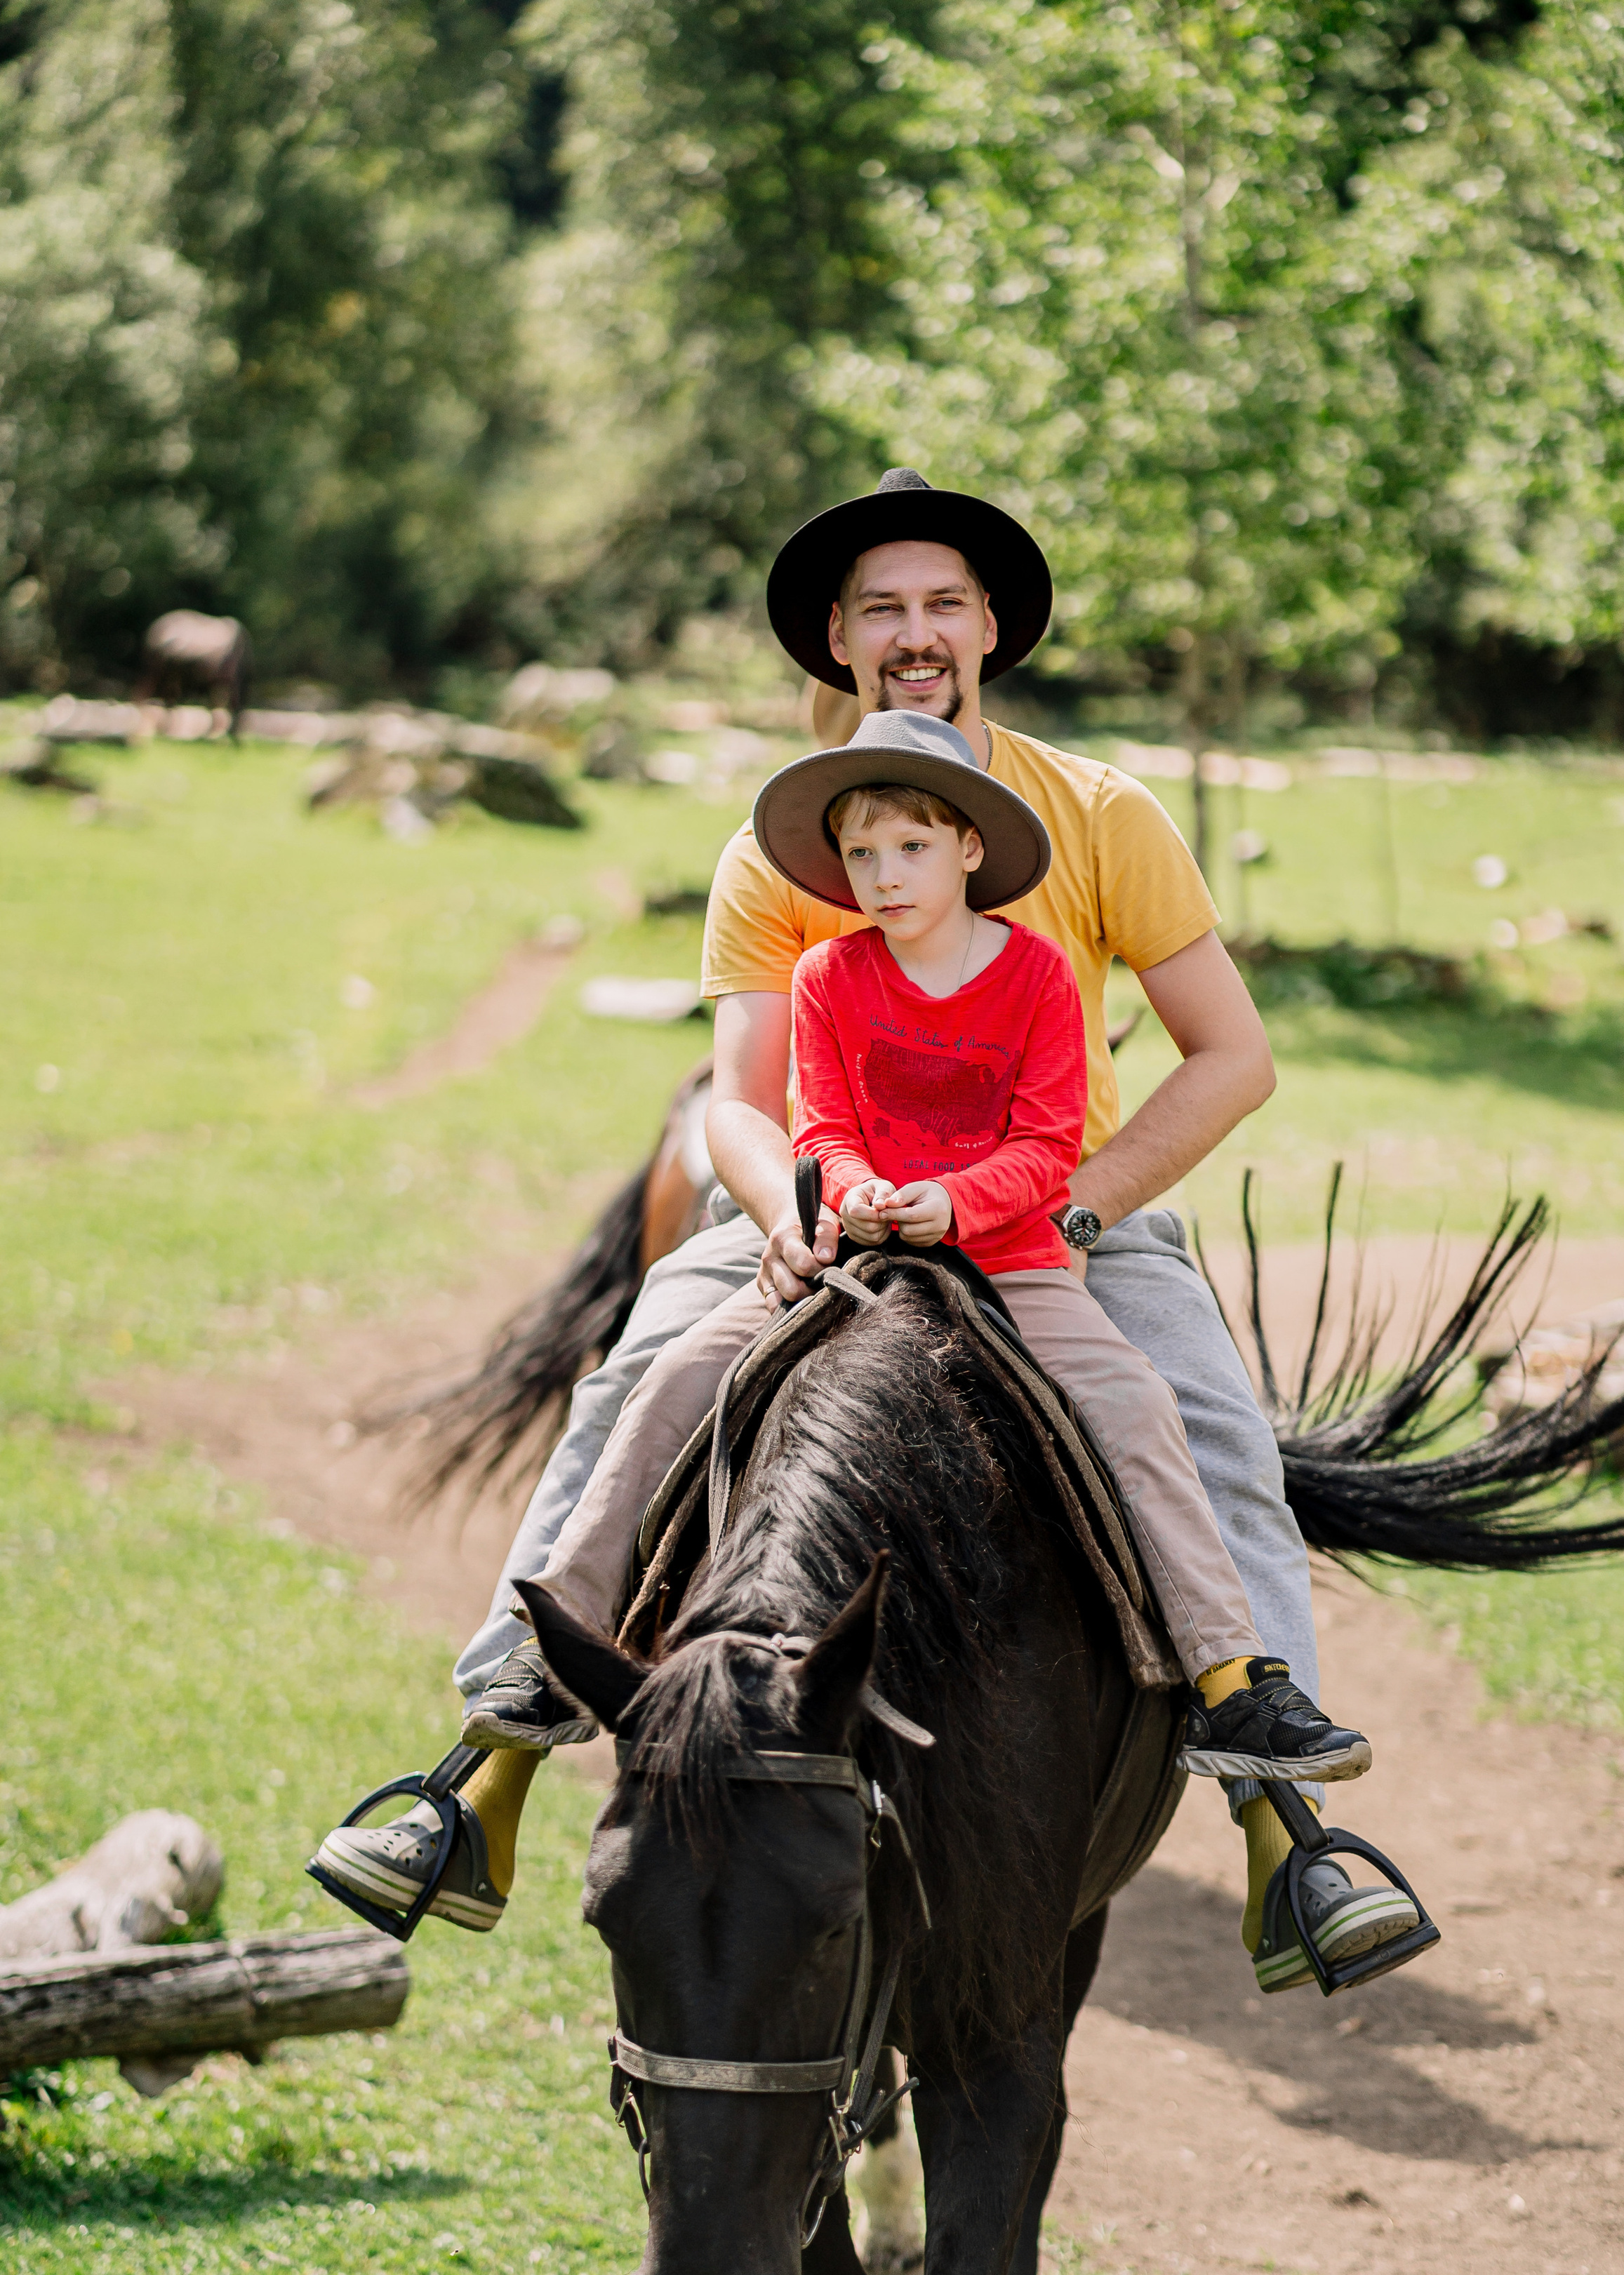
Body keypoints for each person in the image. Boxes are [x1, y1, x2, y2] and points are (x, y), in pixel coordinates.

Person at [306, 465, 1411, 1989]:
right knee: (634, 1378)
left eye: (942, 604)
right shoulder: (777, 847)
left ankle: (1281, 1823)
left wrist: (1081, 1207)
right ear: (833, 637)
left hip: (1052, 1217)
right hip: (823, 1214)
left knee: (1203, 1417)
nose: (912, 631)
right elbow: (742, 1100)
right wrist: (783, 1216)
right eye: (880, 607)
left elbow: (1234, 1056)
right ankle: (484, 1766)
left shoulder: (1098, 812)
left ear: (990, 629)